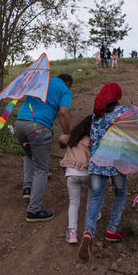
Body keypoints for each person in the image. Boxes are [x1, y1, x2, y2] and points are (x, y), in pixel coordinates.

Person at [78, 83, 128, 260]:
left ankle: (88, 233)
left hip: (97, 162)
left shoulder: (95, 117)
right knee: (121, 194)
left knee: (97, 197)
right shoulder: (123, 113)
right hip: (117, 162)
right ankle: (111, 230)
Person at [15, 74, 72, 222]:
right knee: (41, 169)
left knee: (29, 155)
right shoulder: (65, 90)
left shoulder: (43, 82)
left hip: (20, 123)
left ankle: (28, 188)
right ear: (68, 83)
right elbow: (64, 112)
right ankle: (34, 210)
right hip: (38, 127)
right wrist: (67, 134)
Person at [58, 115, 97, 243]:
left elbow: (61, 139)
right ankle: (91, 218)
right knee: (93, 195)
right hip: (87, 172)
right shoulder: (91, 141)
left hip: (71, 173)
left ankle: (72, 233)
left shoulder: (72, 138)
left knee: (73, 202)